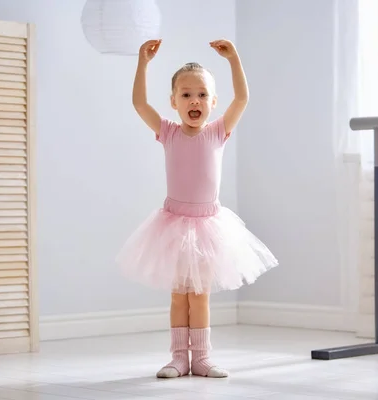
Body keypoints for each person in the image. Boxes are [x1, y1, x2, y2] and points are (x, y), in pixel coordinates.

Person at [116, 38, 278, 379]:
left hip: (208, 226)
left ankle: (201, 358)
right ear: (174, 102)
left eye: (202, 95)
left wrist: (234, 58)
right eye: (187, 95)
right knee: (179, 296)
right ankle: (178, 358)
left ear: (213, 102)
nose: (195, 101)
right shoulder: (168, 132)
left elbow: (243, 98)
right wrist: (143, 63)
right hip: (173, 225)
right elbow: (138, 102)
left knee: (200, 296)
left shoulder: (219, 131)